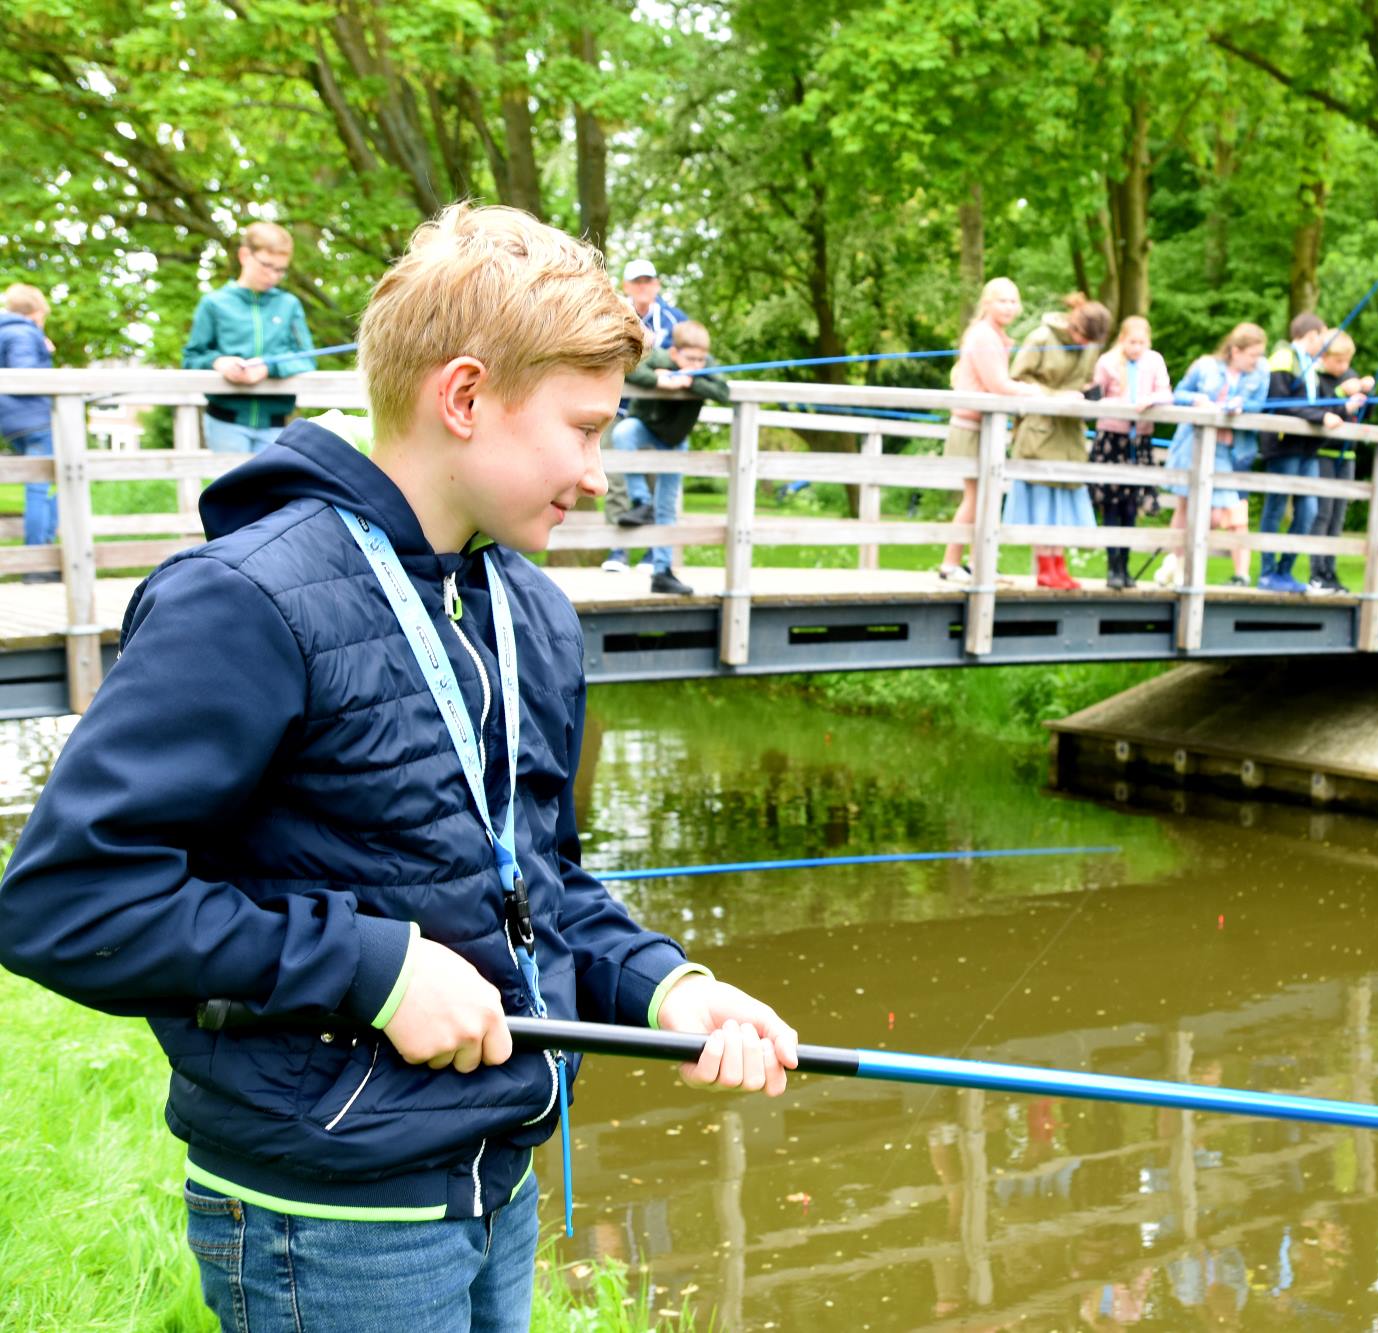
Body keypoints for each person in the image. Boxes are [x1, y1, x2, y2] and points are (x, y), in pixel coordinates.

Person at [0, 205, 796, 1332]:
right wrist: (374, 968)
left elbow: (538, 879)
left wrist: (671, 986)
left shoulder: (531, 611)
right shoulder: (245, 602)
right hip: (332, 1220)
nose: (596, 471)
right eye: (582, 429)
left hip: (497, 1182)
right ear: (464, 397)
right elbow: (65, 901)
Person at [608, 320, 729, 596]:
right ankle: (641, 501)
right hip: (645, 426)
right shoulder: (660, 357)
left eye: (701, 360)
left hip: (675, 440)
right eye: (691, 359)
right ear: (675, 353)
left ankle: (662, 571)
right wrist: (661, 380)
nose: (697, 364)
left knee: (667, 507)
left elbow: (724, 392)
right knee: (623, 433)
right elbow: (632, 370)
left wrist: (692, 381)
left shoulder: (705, 366)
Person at [938, 277, 1045, 583]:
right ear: (987, 303)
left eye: (1013, 301)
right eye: (1003, 301)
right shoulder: (984, 335)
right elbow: (998, 385)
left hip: (985, 427)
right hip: (971, 427)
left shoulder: (994, 335)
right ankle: (950, 564)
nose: (1009, 307)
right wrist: (1034, 391)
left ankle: (979, 564)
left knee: (987, 496)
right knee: (975, 497)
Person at [1003, 293, 1112, 589]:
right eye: (1083, 338)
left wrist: (1089, 393)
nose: (1086, 345)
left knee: (1063, 502)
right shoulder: (1041, 338)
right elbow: (1017, 380)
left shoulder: (1089, 347)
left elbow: (1085, 379)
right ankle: (1045, 568)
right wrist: (1055, 396)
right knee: (1042, 502)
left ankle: (1059, 566)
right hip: (1040, 431)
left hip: (1070, 433)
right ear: (1074, 326)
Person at [182, 221, 316, 453]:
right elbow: (191, 358)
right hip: (225, 421)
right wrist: (218, 362)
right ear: (245, 255)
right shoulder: (214, 303)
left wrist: (269, 367)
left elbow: (307, 359)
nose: (273, 275)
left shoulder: (289, 304)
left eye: (280, 269)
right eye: (267, 265)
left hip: (276, 424)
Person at [1155, 324, 1269, 589]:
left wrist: (1241, 405)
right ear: (1235, 351)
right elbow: (1178, 394)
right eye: (1252, 355)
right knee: (1185, 507)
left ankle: (1177, 562)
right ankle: (1177, 566)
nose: (1256, 360)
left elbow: (1259, 404)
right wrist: (1197, 400)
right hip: (1193, 445)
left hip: (1229, 450)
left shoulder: (1261, 371)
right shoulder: (1205, 366)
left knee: (1219, 514)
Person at [1256, 313, 1342, 593]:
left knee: (1309, 511)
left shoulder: (1312, 366)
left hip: (1307, 448)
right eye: (1323, 338)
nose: (1325, 345)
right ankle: (1267, 573)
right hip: (1284, 445)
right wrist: (1321, 417)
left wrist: (1343, 407)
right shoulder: (1284, 359)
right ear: (1312, 335)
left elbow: (1317, 404)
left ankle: (1285, 571)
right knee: (1276, 507)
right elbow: (1279, 403)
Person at [1089, 317, 1173, 590]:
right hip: (1112, 438)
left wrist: (1150, 400)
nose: (1136, 348)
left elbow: (1166, 393)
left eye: (1141, 342)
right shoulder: (1107, 362)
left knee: (1131, 505)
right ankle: (1112, 566)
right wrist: (1121, 404)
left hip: (1140, 440)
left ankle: (1125, 566)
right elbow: (1095, 396)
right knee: (1111, 504)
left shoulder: (1154, 361)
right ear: (1122, 339)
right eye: (1131, 342)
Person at [606, 259, 691, 528]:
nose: (643, 286)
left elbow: (691, 359)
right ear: (626, 286)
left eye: (648, 281)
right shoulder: (613, 316)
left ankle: (654, 548)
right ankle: (617, 547)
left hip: (656, 415)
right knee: (616, 481)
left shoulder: (675, 320)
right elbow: (613, 359)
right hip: (618, 408)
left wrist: (669, 371)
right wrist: (655, 376)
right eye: (637, 281)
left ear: (657, 284)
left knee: (657, 481)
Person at [1302, 332, 1372, 594]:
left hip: (1347, 455)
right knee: (1323, 513)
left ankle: (1330, 571)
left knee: (1338, 516)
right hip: (1323, 453)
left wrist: (1367, 393)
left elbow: (1364, 414)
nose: (1344, 367)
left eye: (1347, 361)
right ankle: (1317, 572)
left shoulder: (1350, 375)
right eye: (1339, 361)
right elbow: (1320, 408)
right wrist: (1343, 394)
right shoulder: (1316, 378)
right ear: (1325, 357)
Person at [0, 283, 58, 579]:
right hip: (33, 420)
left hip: (12, 421)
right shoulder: (23, 332)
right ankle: (37, 563)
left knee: (47, 484)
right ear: (36, 313)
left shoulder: (6, 331)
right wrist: (43, 351)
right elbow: (25, 374)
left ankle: (41, 557)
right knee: (43, 486)